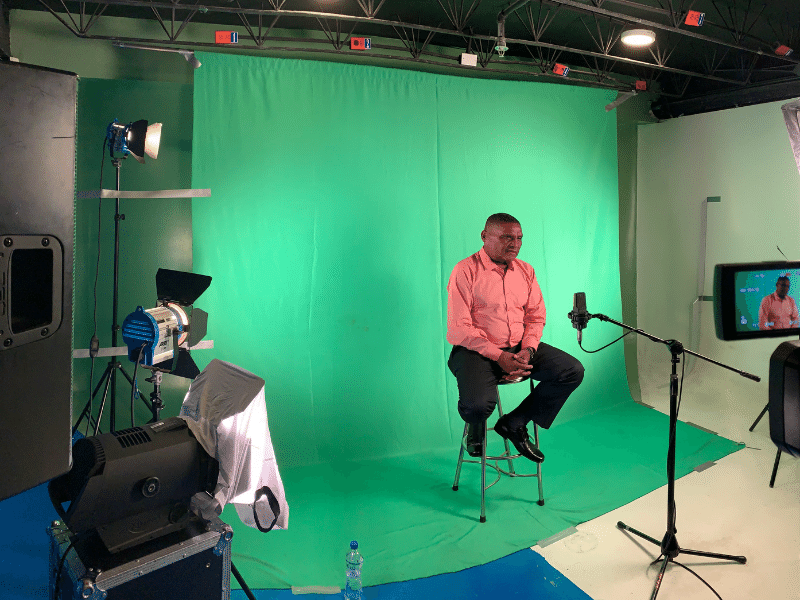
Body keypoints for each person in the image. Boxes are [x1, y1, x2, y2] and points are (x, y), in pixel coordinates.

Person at [446, 213, 584, 463]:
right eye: (507, 237)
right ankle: (476, 425)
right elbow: (459, 328)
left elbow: (535, 317)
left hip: (519, 347)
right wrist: (499, 356)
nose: (515, 244)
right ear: (484, 236)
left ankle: (515, 422)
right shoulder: (465, 270)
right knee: (477, 407)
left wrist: (528, 350)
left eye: (519, 238)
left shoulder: (526, 270)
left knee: (571, 371)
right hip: (476, 351)